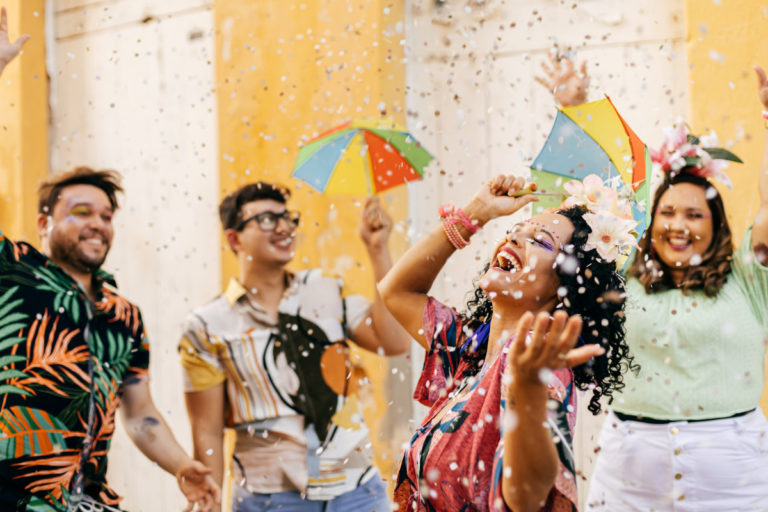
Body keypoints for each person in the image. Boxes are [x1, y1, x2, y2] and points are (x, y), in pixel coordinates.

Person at [540, 52, 768, 509]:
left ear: (716, 225)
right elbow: (579, 207)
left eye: (694, 215)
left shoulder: (749, 276)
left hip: (735, 476)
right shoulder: (622, 272)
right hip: (628, 477)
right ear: (652, 221)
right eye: (667, 212)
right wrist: (575, 111)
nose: (678, 225)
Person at [378, 173, 636, 511]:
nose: (513, 239)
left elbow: (527, 498)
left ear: (564, 288)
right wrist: (476, 212)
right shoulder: (471, 351)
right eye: (516, 230)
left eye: (540, 242)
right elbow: (396, 292)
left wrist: (526, 395)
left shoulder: (537, 364)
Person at [179, 182, 411, 511]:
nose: (284, 227)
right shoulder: (207, 324)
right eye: (267, 219)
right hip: (271, 499)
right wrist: (210, 503)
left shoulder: (325, 289)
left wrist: (378, 249)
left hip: (358, 491)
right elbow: (207, 429)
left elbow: (394, 341)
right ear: (234, 238)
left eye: (288, 218)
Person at [0, 167, 221, 511]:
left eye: (106, 216)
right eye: (82, 212)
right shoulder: (12, 271)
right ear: (44, 224)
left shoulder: (125, 316)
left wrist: (180, 465)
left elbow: (139, 412)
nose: (98, 224)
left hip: (84, 500)